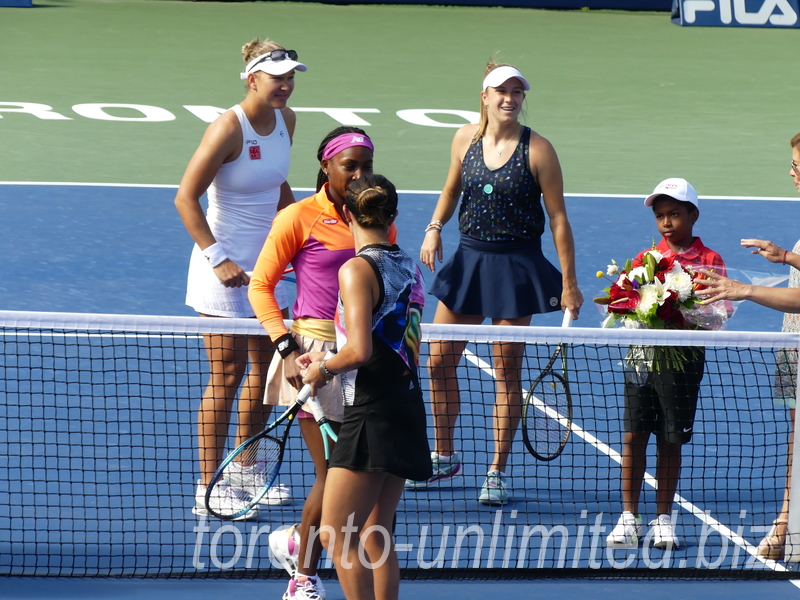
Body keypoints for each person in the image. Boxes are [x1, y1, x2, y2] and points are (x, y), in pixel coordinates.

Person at [405, 60, 583, 505]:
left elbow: (558, 220)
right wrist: (434, 227)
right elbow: (451, 190)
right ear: (484, 96)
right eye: (501, 91)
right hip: (470, 261)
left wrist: (570, 284)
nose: (509, 99)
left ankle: (498, 471)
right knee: (437, 363)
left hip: (515, 268)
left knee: (507, 373)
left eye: (517, 92)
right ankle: (442, 457)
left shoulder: (538, 150)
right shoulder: (464, 138)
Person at [249, 129, 396, 600]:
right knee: (332, 472)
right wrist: (287, 348)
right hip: (312, 356)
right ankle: (303, 577)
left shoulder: (377, 219)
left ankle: (296, 539)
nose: (358, 175)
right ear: (325, 166)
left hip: (364, 358)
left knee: (355, 480)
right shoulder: (298, 216)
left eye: (365, 165)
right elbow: (260, 286)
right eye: (349, 165)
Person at [174, 37, 305, 518]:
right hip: (223, 271)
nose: (286, 86)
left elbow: (278, 182)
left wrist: (303, 232)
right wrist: (216, 256)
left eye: (291, 78)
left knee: (269, 371)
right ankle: (209, 487)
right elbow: (186, 197)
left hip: (272, 267)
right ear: (252, 78)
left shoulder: (287, 120)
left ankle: (245, 468)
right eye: (278, 78)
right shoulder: (228, 127)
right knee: (226, 375)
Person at [296, 173, 430, 600]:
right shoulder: (408, 264)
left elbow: (357, 350)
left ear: (346, 213)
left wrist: (323, 370)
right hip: (405, 403)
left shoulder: (356, 269)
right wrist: (326, 356)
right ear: (393, 216)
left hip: (370, 409)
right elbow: (395, 341)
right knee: (376, 531)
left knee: (337, 533)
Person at [606, 177, 728, 551]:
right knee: (633, 436)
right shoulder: (646, 260)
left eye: (674, 213)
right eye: (660, 215)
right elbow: (626, 303)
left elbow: (718, 314)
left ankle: (662, 519)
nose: (667, 222)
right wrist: (637, 311)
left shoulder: (710, 262)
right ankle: (629, 517)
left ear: (693, 214)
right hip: (642, 360)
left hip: (683, 363)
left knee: (670, 440)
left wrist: (681, 310)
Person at [698, 132, 800, 560]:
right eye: (793, 167)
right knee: (797, 435)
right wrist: (788, 258)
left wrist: (744, 289)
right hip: (794, 345)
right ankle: (788, 520)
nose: (794, 176)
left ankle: (784, 524)